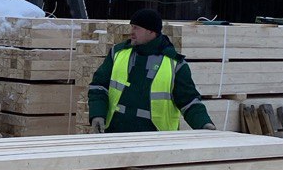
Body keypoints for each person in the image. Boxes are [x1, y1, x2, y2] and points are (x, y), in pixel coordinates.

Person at [88, 8, 216, 134]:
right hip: (116, 133)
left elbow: (189, 101)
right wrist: (97, 114)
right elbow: (98, 87)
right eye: (132, 26)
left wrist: (204, 124)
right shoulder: (117, 53)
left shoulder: (175, 64)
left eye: (136, 28)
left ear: (151, 31)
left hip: (156, 140)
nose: (131, 32)